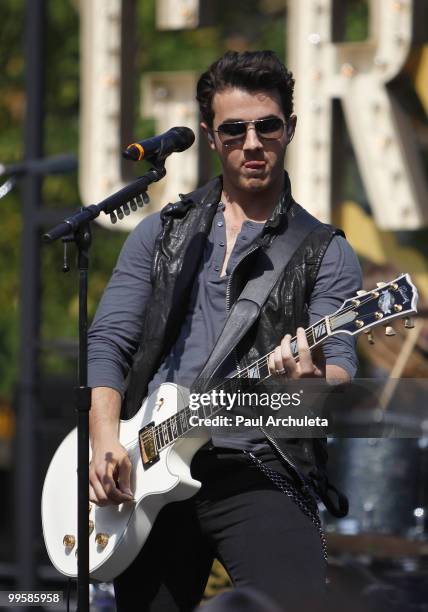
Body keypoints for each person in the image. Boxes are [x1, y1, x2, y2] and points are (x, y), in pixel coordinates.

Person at [88, 50, 362, 611]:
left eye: (268, 126)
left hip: (261, 465)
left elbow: (340, 368)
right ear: (212, 138)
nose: (253, 142)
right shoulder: (158, 235)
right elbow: (109, 341)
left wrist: (307, 383)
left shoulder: (325, 251)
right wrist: (105, 443)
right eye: (234, 129)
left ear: (290, 129)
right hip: (148, 470)